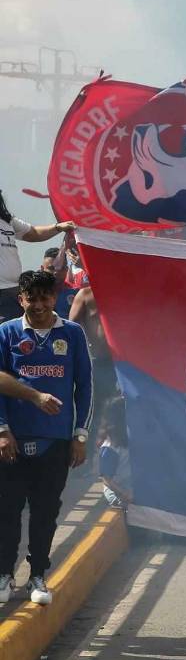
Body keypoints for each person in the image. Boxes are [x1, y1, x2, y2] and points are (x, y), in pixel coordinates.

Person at [0, 269, 93, 606]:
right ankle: (4, 575)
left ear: (54, 298)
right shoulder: (6, 333)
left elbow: (84, 386)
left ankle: (38, 575)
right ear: (21, 299)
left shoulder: (72, 333)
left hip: (55, 440)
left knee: (45, 512)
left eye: (44, 297)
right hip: (12, 440)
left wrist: (80, 435)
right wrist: (1, 429)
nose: (38, 304)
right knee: (7, 511)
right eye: (31, 298)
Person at [0, 190, 75, 321]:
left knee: (16, 335)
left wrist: (57, 227)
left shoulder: (7, 220)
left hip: (13, 289)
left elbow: (33, 233)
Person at [97, 400, 132, 509]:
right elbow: (106, 479)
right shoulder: (109, 448)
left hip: (131, 486)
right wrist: (124, 493)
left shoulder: (129, 439)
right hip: (117, 492)